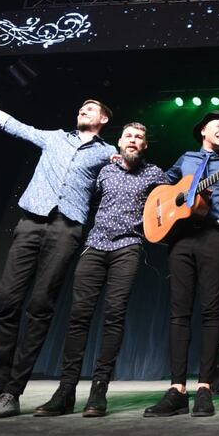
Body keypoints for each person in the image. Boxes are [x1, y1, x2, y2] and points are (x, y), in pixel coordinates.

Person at [0, 79, 115, 419]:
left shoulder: (104, 153)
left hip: (67, 228)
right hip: (31, 222)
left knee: (40, 305)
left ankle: (12, 392)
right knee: (7, 301)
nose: (84, 108)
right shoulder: (54, 137)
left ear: (104, 119)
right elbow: (12, 125)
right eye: (82, 106)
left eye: (92, 107)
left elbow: (128, 167)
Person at [34, 122, 165, 417]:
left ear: (144, 146)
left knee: (114, 317)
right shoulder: (104, 170)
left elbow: (170, 202)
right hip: (94, 246)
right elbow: (81, 196)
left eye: (139, 138)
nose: (133, 140)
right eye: (129, 136)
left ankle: (98, 392)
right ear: (119, 142)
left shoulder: (155, 174)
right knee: (79, 317)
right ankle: (65, 392)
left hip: (128, 247)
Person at [144, 111, 219, 419]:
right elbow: (162, 184)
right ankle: (177, 390)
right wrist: (169, 199)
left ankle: (204, 388)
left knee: (211, 312)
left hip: (214, 235)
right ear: (203, 131)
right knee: (179, 314)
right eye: (218, 126)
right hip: (181, 237)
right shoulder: (185, 158)